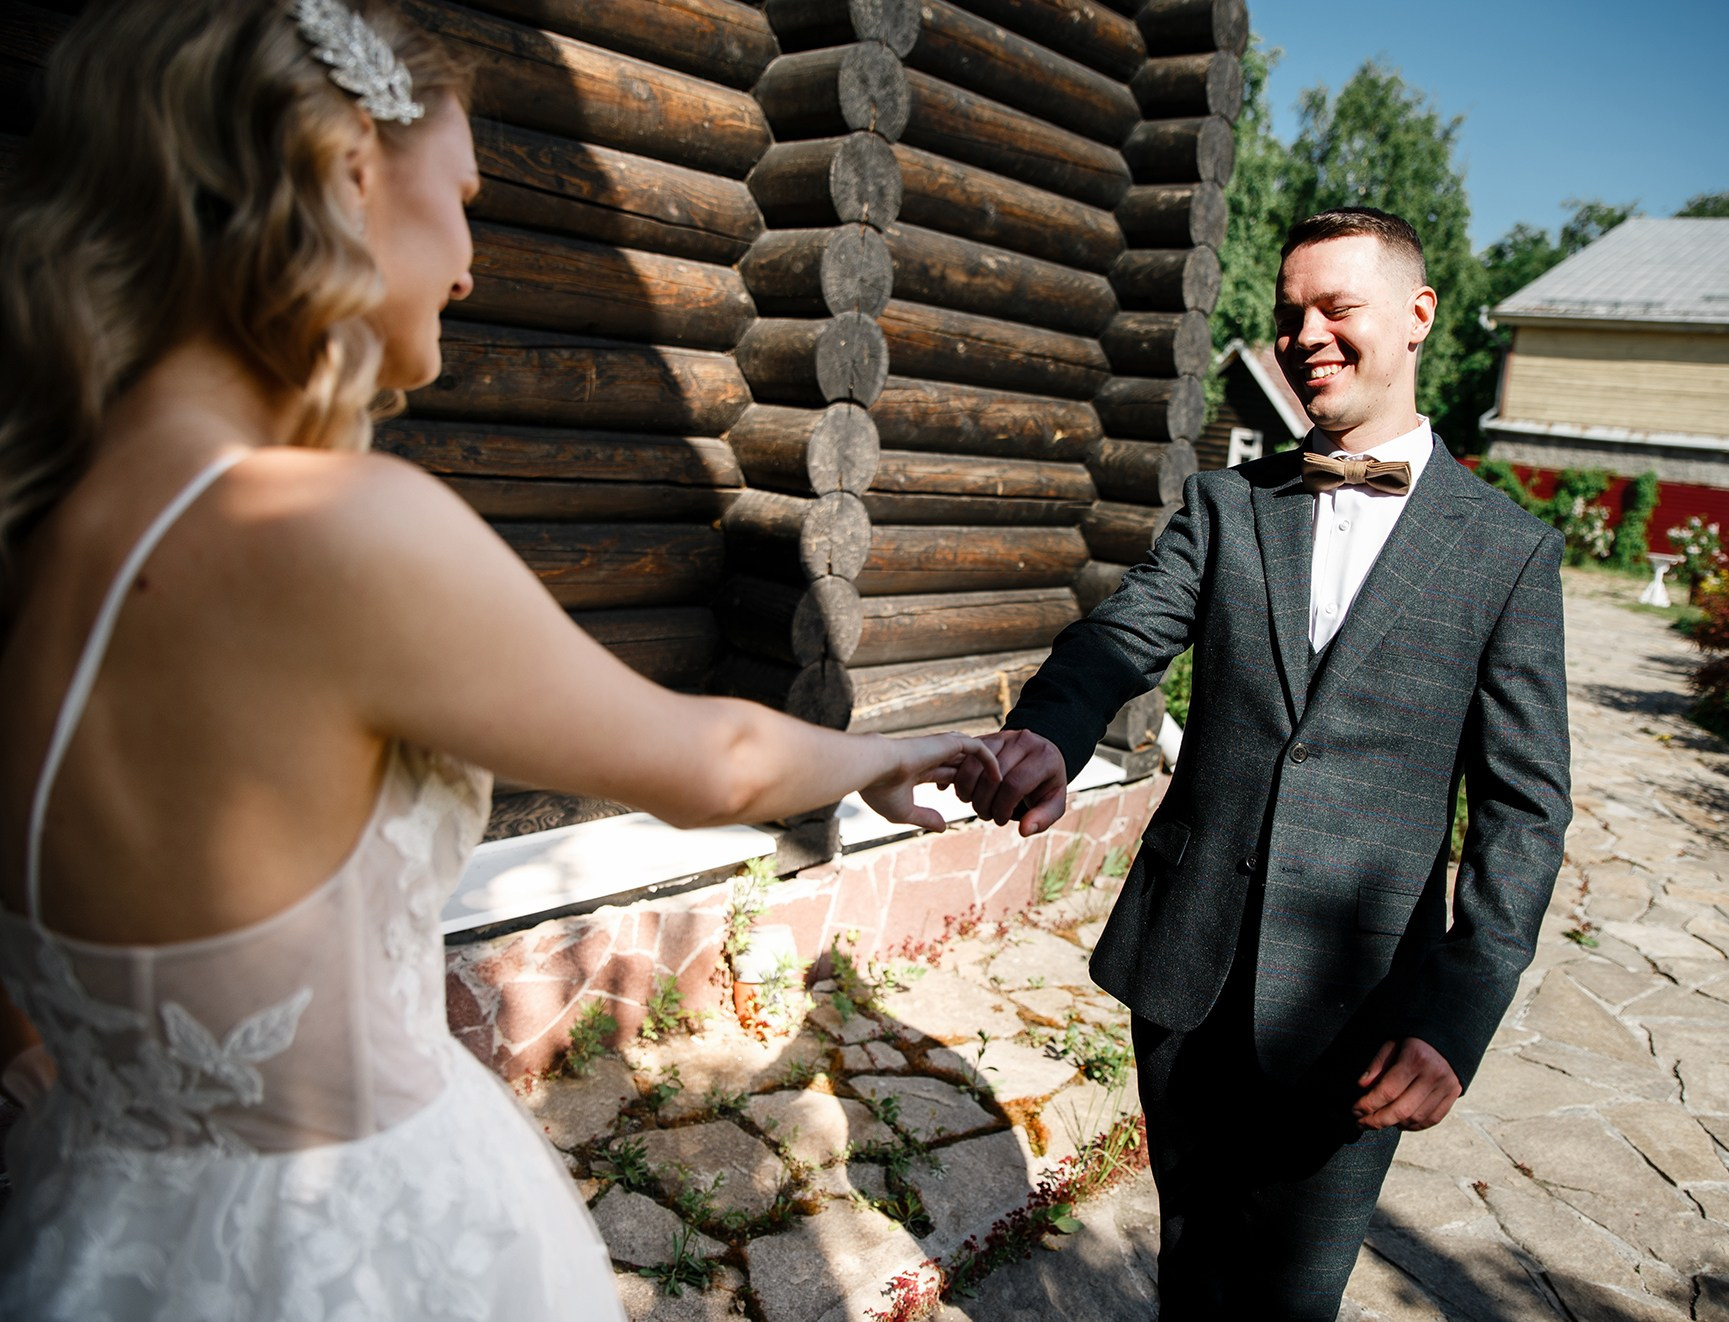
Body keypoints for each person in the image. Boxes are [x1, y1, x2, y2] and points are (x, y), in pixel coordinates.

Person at [0, 2, 996, 1317]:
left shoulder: (41, 540)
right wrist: (893, 752)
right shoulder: (327, 525)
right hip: (350, 1251)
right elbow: (717, 754)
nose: (468, 264)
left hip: (90, 1236)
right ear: (348, 171)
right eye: (460, 199)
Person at [958, 207, 1572, 1317]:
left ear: (1418, 315)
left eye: (1338, 307)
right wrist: (1047, 730)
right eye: (1291, 313)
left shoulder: (1508, 551)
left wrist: (1454, 1017)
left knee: (1293, 1293)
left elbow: (1524, 816)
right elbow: (1122, 634)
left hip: (1363, 1004)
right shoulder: (1229, 504)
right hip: (1185, 964)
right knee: (1192, 1260)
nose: (1307, 335)